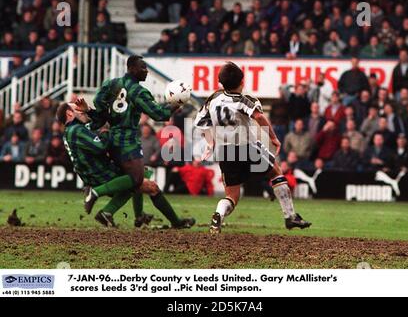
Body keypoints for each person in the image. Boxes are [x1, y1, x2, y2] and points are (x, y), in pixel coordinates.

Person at [194, 62, 311, 233]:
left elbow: (201, 123)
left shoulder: (212, 100)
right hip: (246, 147)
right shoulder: (244, 100)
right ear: (242, 81)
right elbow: (259, 117)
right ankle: (290, 217)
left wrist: (211, 143)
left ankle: (219, 214)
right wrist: (273, 137)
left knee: (232, 196)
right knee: (276, 172)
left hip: (224, 152)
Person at [77, 55, 189, 228]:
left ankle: (124, 214)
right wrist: (177, 102)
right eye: (143, 68)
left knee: (142, 178)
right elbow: (159, 114)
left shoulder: (110, 84)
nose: (146, 71)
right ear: (132, 68)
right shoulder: (138, 91)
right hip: (127, 141)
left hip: (112, 139)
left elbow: (100, 112)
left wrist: (90, 112)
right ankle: (95, 192)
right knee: (137, 179)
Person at [57, 101, 194, 228]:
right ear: (69, 113)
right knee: (141, 181)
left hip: (97, 172)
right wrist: (105, 132)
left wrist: (92, 115)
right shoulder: (76, 130)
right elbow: (100, 146)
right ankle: (104, 205)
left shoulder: (74, 129)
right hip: (100, 174)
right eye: (77, 109)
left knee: (143, 175)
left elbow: (94, 132)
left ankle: (135, 216)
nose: (81, 111)